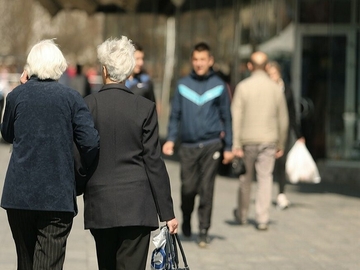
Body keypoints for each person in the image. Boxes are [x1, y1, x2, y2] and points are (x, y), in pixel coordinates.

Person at [0, 39, 100, 269]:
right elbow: (90, 142)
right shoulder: (71, 98)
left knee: (24, 262)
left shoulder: (16, 96)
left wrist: (21, 88)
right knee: (49, 263)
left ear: (30, 66)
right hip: (57, 196)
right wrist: (80, 175)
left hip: (19, 195)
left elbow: (6, 133)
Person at [82, 36, 178, 270]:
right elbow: (153, 161)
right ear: (127, 72)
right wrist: (167, 212)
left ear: (104, 70)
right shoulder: (144, 108)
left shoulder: (87, 105)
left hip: (100, 204)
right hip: (137, 206)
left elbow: (81, 153)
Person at [162, 42, 233, 247]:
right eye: (195, 59)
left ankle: (203, 230)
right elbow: (175, 115)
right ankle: (186, 218)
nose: (199, 63)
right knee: (188, 189)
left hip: (212, 145)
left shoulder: (219, 85)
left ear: (210, 61)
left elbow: (227, 117)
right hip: (188, 146)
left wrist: (228, 146)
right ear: (192, 61)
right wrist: (171, 140)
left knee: (206, 188)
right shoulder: (183, 85)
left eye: (203, 59)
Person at [231, 51, 289, 231]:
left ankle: (242, 214)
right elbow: (283, 119)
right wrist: (281, 143)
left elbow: (236, 115)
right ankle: (262, 218)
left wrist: (236, 143)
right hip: (269, 140)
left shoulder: (243, 87)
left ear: (249, 66)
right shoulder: (275, 88)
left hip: (247, 140)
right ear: (266, 66)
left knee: (245, 178)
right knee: (265, 178)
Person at [266, 61, 305, 210]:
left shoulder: (287, 90)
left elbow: (292, 113)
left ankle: (281, 193)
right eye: (269, 75)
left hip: (283, 131)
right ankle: (266, 192)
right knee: (268, 162)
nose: (272, 77)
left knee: (281, 162)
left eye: (274, 74)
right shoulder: (266, 91)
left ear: (279, 74)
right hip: (268, 131)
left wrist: (298, 134)